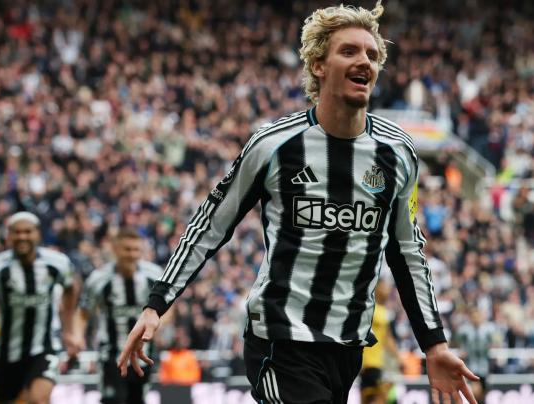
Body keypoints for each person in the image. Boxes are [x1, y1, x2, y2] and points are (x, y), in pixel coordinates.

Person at [119, 2, 479, 403]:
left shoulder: (398, 154)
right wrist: (157, 303)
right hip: (280, 341)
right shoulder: (273, 145)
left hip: (347, 348)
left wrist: (434, 344)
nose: (364, 61)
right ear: (318, 65)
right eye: (349, 51)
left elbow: (408, 252)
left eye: (372, 55)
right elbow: (210, 224)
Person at [0, 212, 79, 404]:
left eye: (28, 231)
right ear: (8, 235)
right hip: (7, 351)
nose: (22, 236)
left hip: (45, 346)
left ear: (38, 234)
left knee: (39, 400)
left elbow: (71, 289)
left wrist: (69, 330)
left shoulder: (57, 262)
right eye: (17, 232)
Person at [74, 227, 164, 404]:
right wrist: (77, 336)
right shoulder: (99, 279)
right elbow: (83, 311)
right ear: (115, 250)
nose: (132, 254)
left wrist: (156, 327)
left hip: (144, 355)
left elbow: (169, 307)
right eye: (127, 249)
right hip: (110, 356)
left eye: (136, 250)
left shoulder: (154, 276)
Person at [360, 278, 402, 404]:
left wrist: (398, 358)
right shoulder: (369, 309)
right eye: (384, 287)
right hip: (368, 362)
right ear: (376, 288)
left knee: (371, 398)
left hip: (377, 363)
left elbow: (387, 338)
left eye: (388, 288)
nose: (387, 290)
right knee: (376, 398)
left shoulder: (383, 312)